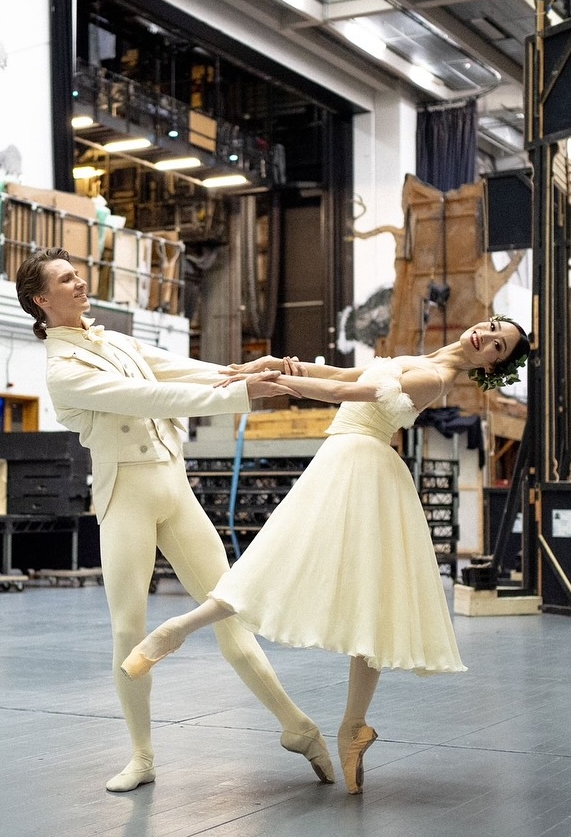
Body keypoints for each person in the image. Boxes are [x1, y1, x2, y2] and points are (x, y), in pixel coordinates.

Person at [122, 317, 531, 795]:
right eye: (492, 326)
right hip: (346, 459)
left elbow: (343, 394)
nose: (486, 335)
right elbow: (341, 375)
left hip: (363, 466)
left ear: (491, 366)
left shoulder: (433, 378)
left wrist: (275, 383)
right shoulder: (422, 360)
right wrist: (281, 365)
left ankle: (183, 634)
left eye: (497, 345)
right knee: (283, 557)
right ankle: (181, 633)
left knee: (360, 596)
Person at [14, 247, 335, 793]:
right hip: (126, 499)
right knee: (128, 628)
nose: (81, 282)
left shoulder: (115, 341)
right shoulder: (62, 370)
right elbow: (149, 396)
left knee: (229, 607)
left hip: (174, 488)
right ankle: (141, 756)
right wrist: (243, 392)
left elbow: (181, 369)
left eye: (78, 274)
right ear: (42, 300)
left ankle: (297, 727)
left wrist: (245, 370)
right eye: (67, 279)